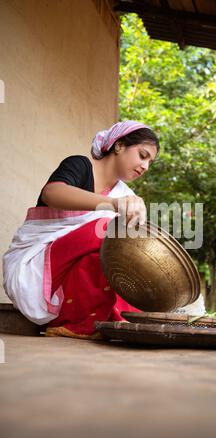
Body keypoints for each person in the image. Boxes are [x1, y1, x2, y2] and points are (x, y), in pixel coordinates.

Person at [3, 120, 160, 340]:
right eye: (143, 155)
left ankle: (88, 322)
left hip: (71, 288)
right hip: (36, 267)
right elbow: (52, 193)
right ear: (119, 145)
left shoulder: (124, 193)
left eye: (150, 162)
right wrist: (113, 206)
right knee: (110, 230)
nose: (145, 167)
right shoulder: (80, 165)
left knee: (129, 249)